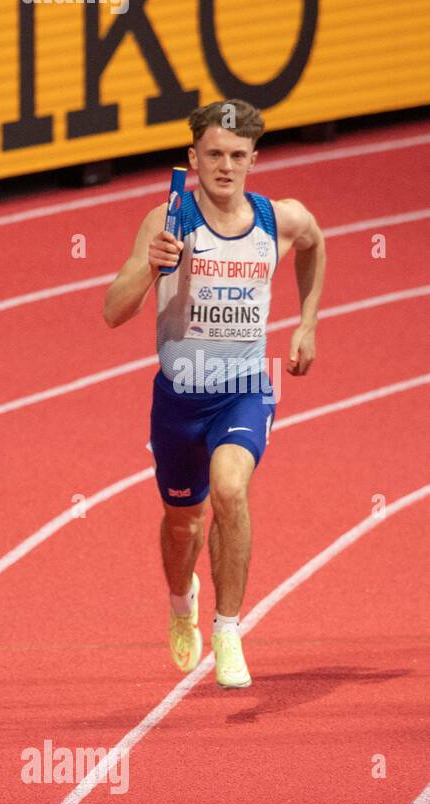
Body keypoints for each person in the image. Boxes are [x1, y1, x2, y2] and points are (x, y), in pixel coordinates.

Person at [103, 99, 325, 688]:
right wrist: (149, 268)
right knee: (184, 522)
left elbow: (315, 243)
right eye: (214, 154)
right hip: (179, 400)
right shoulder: (167, 222)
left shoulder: (280, 218)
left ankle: (229, 629)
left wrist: (307, 323)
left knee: (230, 490)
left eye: (236, 156)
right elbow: (112, 312)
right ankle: (183, 604)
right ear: (192, 157)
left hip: (245, 389)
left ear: (253, 159)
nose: (225, 166)